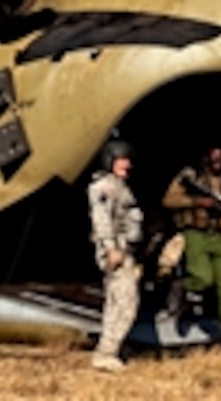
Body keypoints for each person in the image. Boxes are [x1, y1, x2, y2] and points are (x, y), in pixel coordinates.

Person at [161, 146, 221, 351]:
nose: (218, 161)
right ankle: (180, 286)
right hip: (197, 234)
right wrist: (199, 202)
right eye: (213, 157)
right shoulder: (190, 176)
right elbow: (169, 200)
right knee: (202, 278)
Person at [87, 139, 143, 372]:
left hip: (124, 250)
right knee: (127, 303)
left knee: (114, 303)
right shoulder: (105, 187)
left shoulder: (119, 185)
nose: (126, 164)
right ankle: (107, 352)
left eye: (128, 160)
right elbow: (101, 219)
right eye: (121, 160)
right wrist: (111, 248)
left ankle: (109, 349)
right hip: (116, 250)